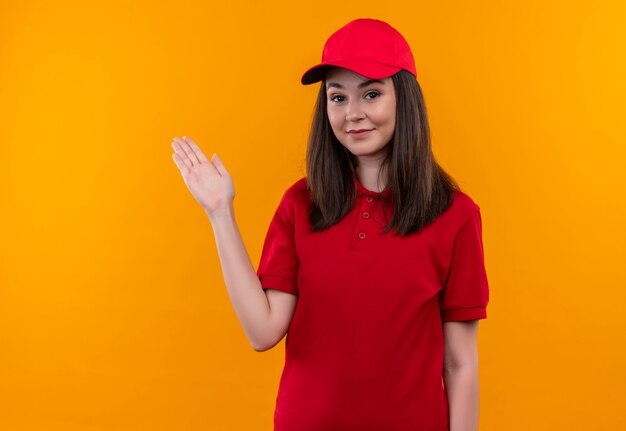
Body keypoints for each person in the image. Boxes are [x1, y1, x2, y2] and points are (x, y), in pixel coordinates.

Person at [171, 18, 489, 431]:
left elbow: (460, 364)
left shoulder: (455, 215)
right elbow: (263, 331)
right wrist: (219, 213)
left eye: (371, 94)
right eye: (337, 98)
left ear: (404, 99)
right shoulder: (300, 205)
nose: (352, 114)